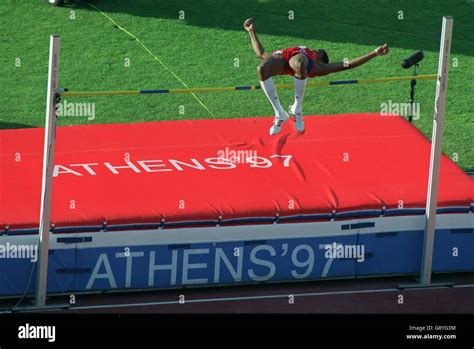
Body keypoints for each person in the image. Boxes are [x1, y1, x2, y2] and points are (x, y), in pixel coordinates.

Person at [243, 18, 390, 135]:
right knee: (261, 68)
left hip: (299, 63)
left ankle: (297, 108)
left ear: (320, 58)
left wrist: (375, 53)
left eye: (320, 52)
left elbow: (348, 64)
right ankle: (279, 113)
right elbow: (261, 53)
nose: (317, 50)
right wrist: (251, 32)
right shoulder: (290, 53)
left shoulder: (319, 66)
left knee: (300, 62)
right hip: (285, 57)